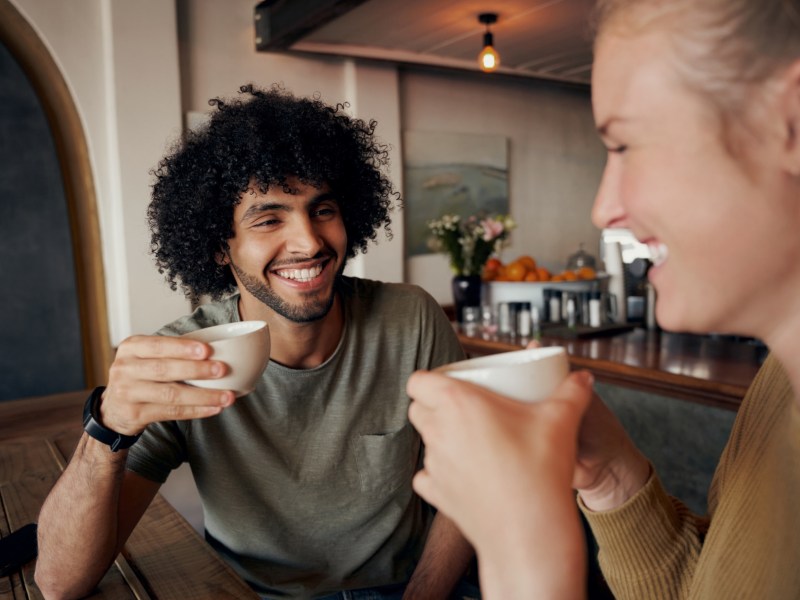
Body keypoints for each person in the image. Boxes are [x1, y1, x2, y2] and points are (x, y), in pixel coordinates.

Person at [407, 0, 800, 597]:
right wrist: (609, 472)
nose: (602, 208)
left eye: (626, 146)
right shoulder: (779, 386)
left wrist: (523, 548)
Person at [34, 84, 476, 599]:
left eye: (323, 210)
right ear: (220, 247)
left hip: (403, 587)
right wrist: (106, 429)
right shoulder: (184, 358)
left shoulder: (411, 319)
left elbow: (470, 477)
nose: (309, 241)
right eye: (269, 219)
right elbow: (59, 583)